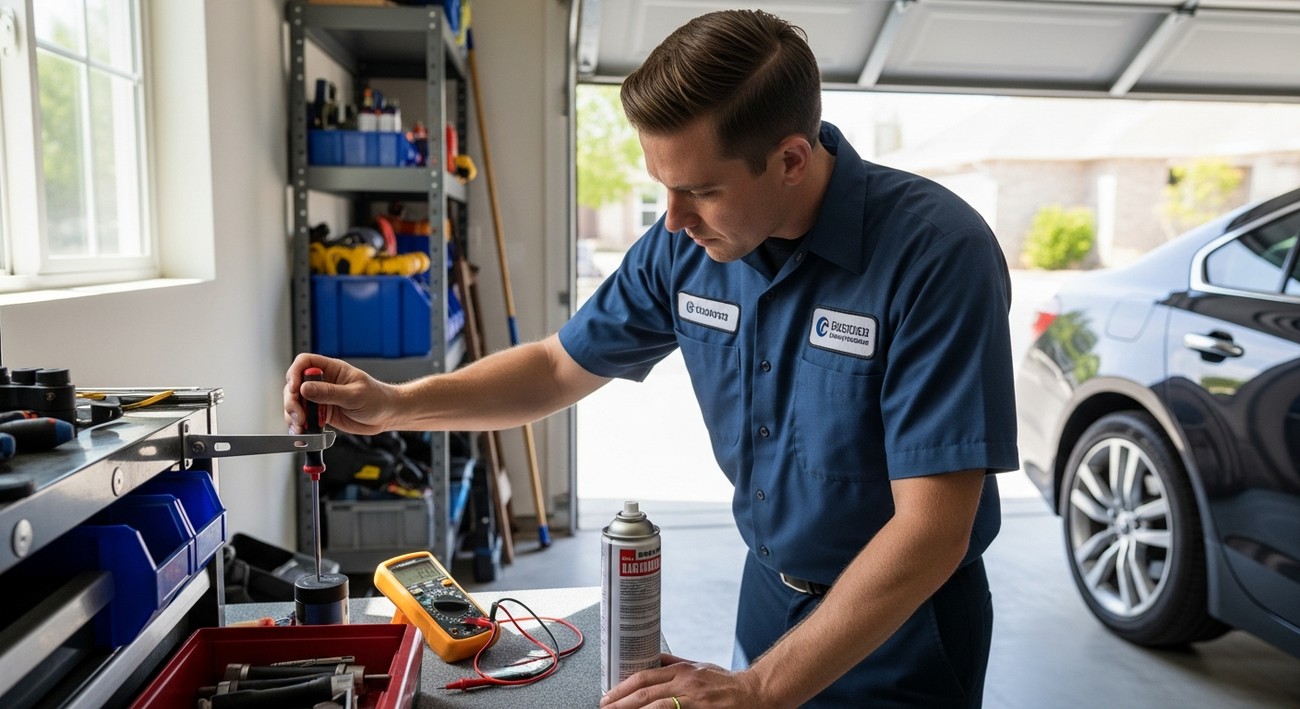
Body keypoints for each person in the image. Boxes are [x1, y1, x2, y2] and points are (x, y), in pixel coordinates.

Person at [285, 9, 1016, 708]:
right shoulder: (686, 245)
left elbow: (931, 530)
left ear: (791, 159)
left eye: (700, 190)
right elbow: (556, 366)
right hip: (769, 601)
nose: (672, 218)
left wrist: (762, 689)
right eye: (663, 187)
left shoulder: (936, 255)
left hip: (903, 628)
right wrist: (395, 404)